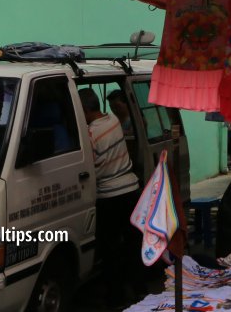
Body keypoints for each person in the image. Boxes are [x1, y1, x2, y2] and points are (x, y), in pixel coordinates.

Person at [79, 88, 142, 305]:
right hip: (131, 189)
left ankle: (115, 296)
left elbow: (90, 168)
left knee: (111, 248)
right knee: (133, 244)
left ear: (85, 109)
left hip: (110, 196)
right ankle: (139, 289)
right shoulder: (113, 121)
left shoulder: (89, 134)